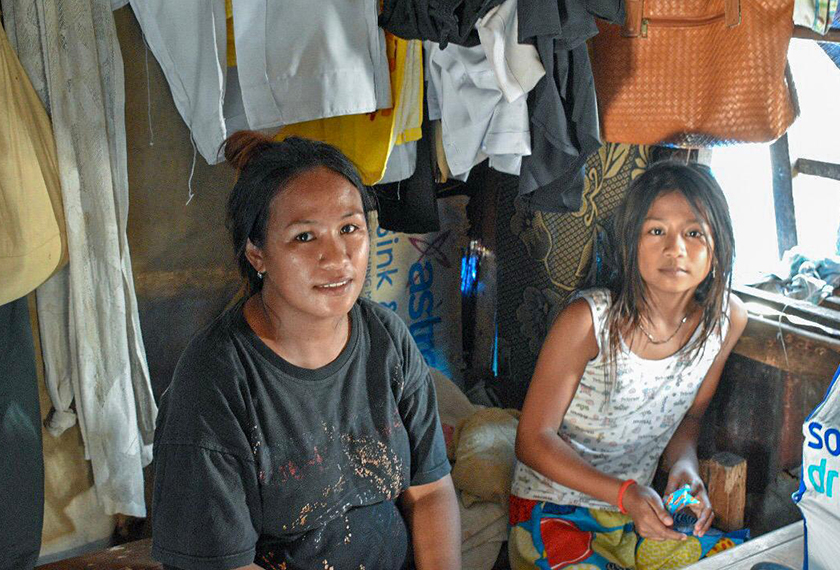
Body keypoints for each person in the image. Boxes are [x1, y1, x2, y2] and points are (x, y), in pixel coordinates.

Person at [150, 131, 461, 570]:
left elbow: (430, 491)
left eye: (349, 228)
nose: (337, 257)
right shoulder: (215, 381)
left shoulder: (386, 339)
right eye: (303, 237)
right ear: (257, 253)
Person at [509, 161, 749, 569]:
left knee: (734, 561)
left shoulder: (725, 321)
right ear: (630, 241)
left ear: (718, 245)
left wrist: (686, 473)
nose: (676, 249)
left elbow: (688, 422)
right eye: (657, 231)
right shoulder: (589, 321)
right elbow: (532, 440)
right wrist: (624, 494)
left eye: (694, 233)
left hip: (639, 513)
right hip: (553, 510)